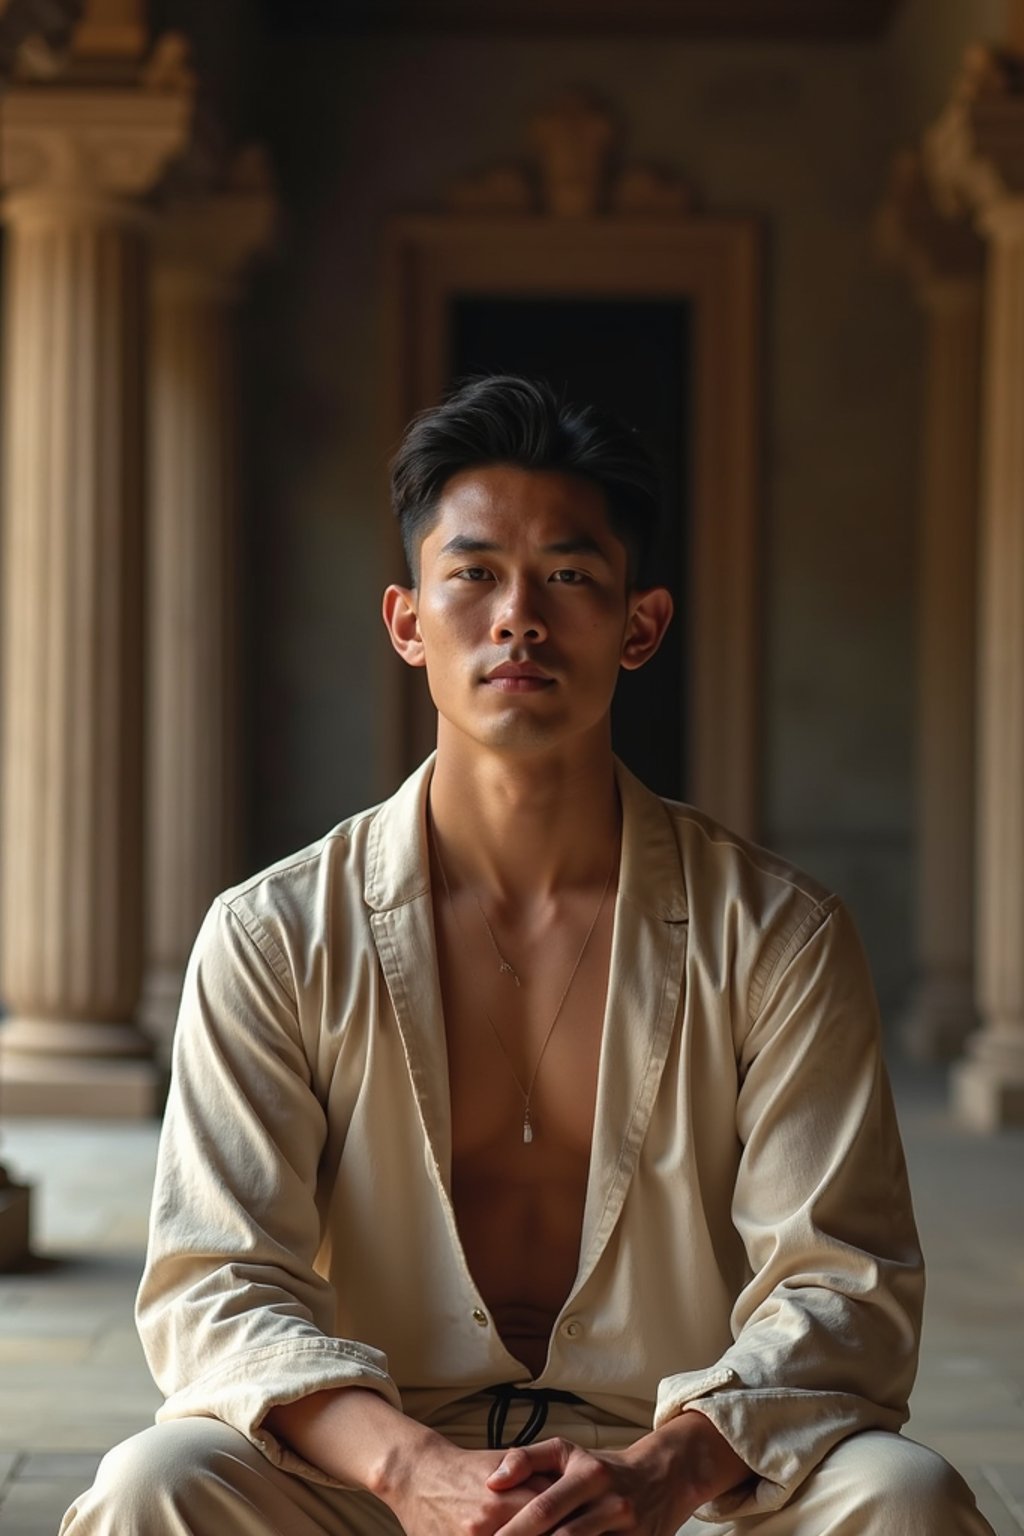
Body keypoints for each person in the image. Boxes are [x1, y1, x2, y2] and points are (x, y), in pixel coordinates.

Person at [62, 375, 992, 1535]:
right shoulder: (274, 934)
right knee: (157, 1488)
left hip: (682, 1470)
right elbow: (217, 1284)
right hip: (371, 1465)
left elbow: (840, 1284)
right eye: (473, 574)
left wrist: (664, 1472)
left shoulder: (776, 935)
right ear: (407, 621)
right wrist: (410, 1470)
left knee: (902, 1499)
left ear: (639, 624)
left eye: (566, 575)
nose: (517, 617)